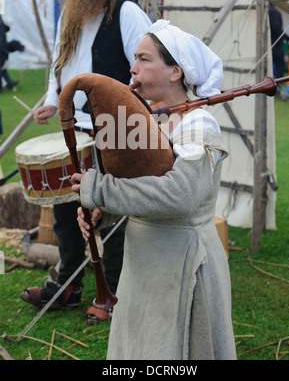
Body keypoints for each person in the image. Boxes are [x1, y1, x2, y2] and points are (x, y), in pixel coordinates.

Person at [73, 19, 237, 360]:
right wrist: (104, 212)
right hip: (142, 261)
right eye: (134, 58)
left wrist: (100, 190)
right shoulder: (147, 120)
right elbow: (138, 186)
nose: (133, 68)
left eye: (144, 59)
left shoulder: (199, 122)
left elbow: (181, 195)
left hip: (183, 260)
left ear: (175, 71)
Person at [20, 0, 151, 323]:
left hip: (113, 131)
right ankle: (68, 285)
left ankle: (112, 291)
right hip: (72, 132)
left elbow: (142, 69)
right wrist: (51, 99)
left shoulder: (127, 14)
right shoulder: (70, 17)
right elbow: (58, 66)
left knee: (108, 211)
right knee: (66, 212)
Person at [268, 3, 289, 95]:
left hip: (273, 45)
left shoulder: (270, 11)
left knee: (275, 67)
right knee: (279, 67)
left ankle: (276, 88)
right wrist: (288, 38)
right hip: (275, 45)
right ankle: (277, 89)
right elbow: (276, 27)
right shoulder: (273, 11)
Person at [0, 15, 24, 93]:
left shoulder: (0, 17)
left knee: (2, 67)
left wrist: (8, 26)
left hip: (2, 45)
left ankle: (9, 83)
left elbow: (3, 30)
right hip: (1, 47)